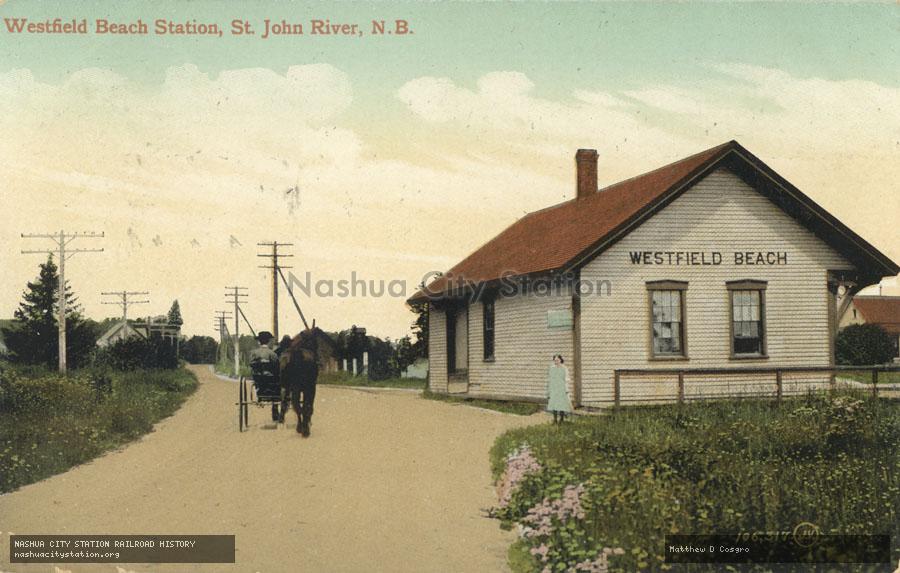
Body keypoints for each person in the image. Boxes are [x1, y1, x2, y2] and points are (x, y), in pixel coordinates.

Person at [248, 331, 281, 421]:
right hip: (271, 380)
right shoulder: (272, 354)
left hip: (258, 379)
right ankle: (275, 407)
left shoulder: (254, 353)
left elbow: (251, 364)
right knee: (278, 381)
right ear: (268, 341)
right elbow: (277, 366)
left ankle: (260, 395)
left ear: (259, 342)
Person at [546, 354, 573, 424]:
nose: (556, 362)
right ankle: (555, 419)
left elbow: (567, 378)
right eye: (554, 360)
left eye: (557, 360)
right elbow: (550, 378)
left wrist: (566, 388)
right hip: (554, 387)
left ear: (561, 360)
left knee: (561, 404)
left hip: (561, 387)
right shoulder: (552, 368)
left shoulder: (564, 368)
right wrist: (549, 389)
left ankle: (561, 419)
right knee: (554, 403)